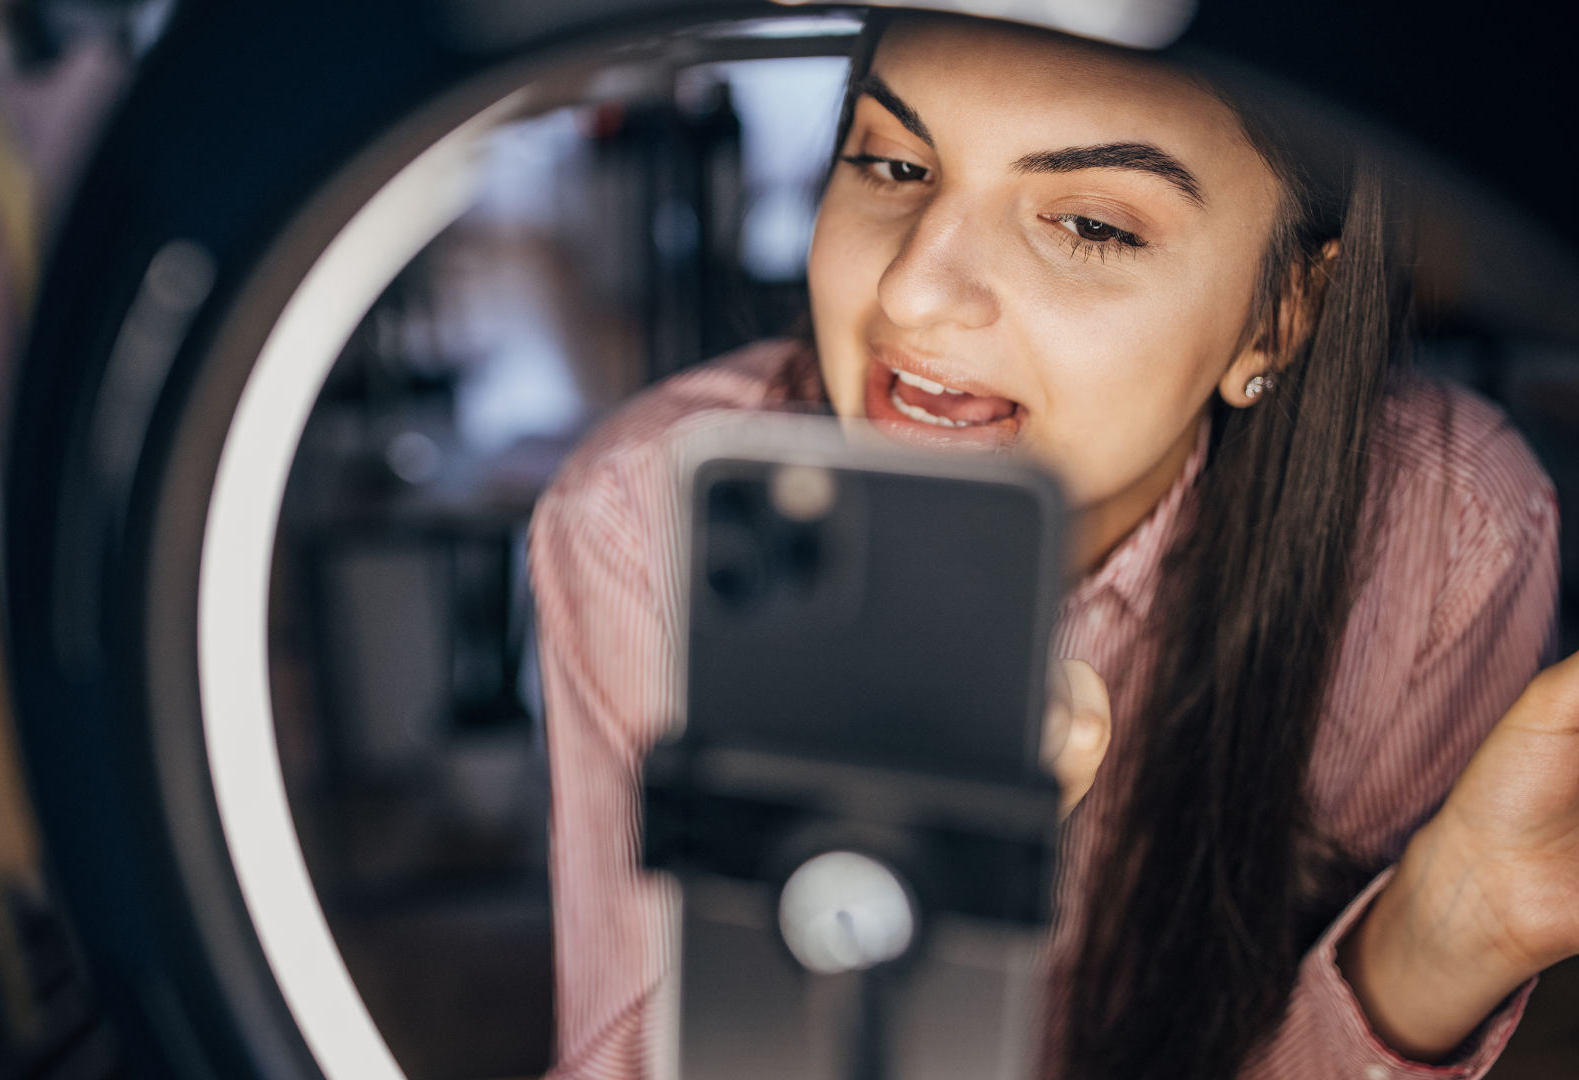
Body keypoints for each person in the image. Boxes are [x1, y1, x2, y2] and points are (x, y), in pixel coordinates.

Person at [528, 11, 1579, 1080]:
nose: (912, 290)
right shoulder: (645, 519)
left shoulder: (1445, 536)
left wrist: (1453, 931)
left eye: (1090, 226)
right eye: (892, 164)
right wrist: (888, 854)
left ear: (1281, 317)